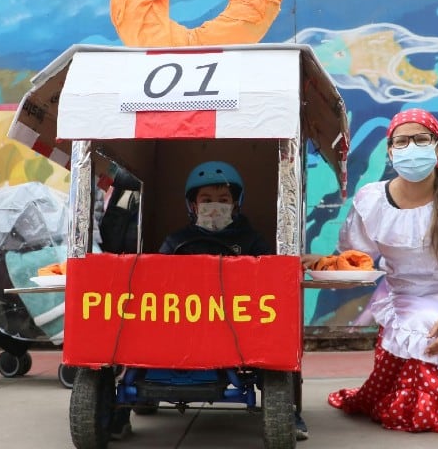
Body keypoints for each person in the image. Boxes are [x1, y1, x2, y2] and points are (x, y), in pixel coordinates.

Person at [301, 108, 438, 434]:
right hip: (407, 298)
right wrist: (323, 263)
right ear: (390, 151)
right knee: (407, 411)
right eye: (401, 141)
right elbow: (356, 259)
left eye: (421, 139)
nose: (411, 148)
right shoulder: (372, 201)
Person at [109, 161, 309, 442]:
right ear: (192, 205)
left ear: (236, 203)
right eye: (206, 200)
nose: (215, 206)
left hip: (236, 324)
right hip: (180, 321)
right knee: (135, 339)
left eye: (223, 200)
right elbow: (153, 277)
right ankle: (118, 410)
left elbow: (270, 275)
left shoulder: (251, 240)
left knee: (273, 347)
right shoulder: (176, 241)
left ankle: (284, 410)